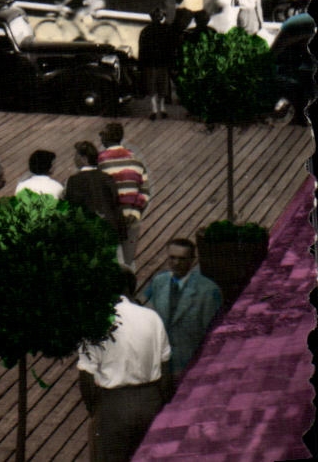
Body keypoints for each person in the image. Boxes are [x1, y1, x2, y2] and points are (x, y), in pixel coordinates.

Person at [77, 269, 170, 462]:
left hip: (114, 405)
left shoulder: (96, 323)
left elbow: (86, 376)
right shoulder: (152, 317)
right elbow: (166, 367)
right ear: (130, 288)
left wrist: (95, 409)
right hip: (150, 401)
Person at [139, 238, 222, 385]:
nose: (176, 263)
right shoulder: (159, 282)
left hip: (190, 365)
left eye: (182, 259)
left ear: (192, 260)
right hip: (161, 365)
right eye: (172, 258)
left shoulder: (208, 290)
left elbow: (211, 336)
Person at [98, 124, 150, 270]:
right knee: (128, 260)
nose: (101, 138)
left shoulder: (100, 162)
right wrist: (135, 212)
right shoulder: (136, 161)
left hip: (110, 218)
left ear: (107, 138)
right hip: (132, 215)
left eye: (102, 135)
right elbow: (144, 191)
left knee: (110, 259)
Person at [64, 140, 128, 257]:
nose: (74, 159)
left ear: (84, 158)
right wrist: (122, 234)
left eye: (76, 156)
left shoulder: (74, 180)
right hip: (109, 231)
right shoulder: (107, 177)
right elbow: (116, 205)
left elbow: (72, 209)